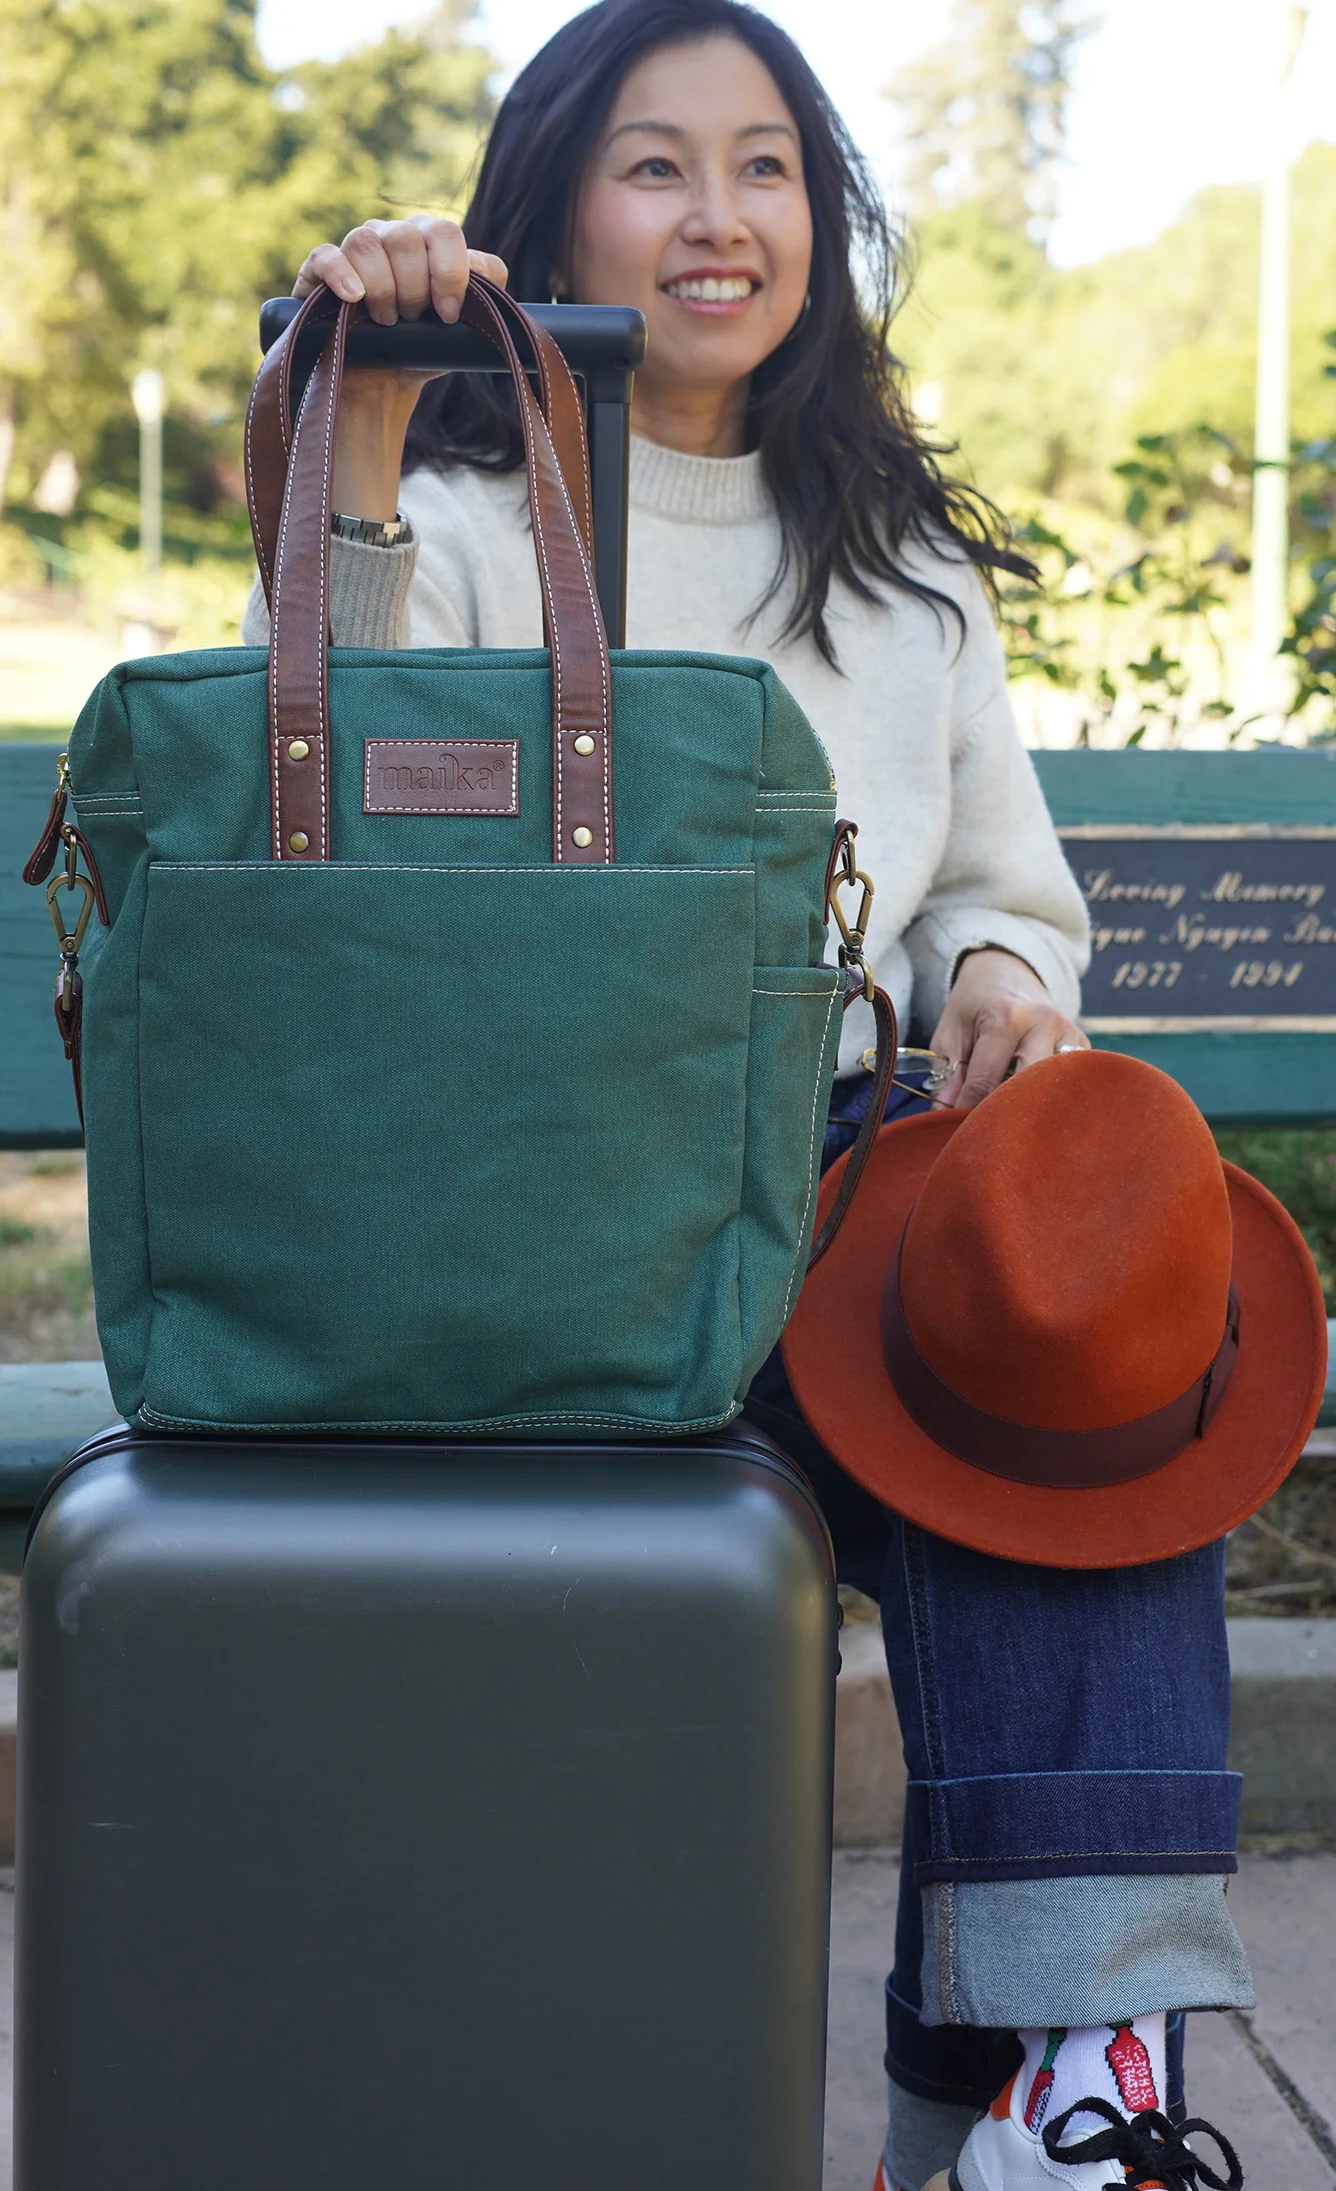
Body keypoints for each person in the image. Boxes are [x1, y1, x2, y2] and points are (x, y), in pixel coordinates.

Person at [244, 5, 1259, 2187]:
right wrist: (370, 398)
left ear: (823, 215)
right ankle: (1028, 2095)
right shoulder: (457, 508)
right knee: (1005, 1445)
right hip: (535, 1214)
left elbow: (1010, 895)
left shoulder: (895, 567)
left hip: (830, 1203)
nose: (719, 217)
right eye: (652, 164)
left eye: (766, 165)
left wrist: (994, 961)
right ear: (549, 211)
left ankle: (1067, 2101)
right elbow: (305, 777)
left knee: (1067, 1404)